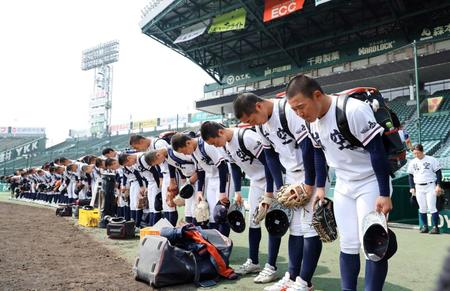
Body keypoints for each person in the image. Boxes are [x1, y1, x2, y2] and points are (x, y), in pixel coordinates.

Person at [286, 74, 392, 291]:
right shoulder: (310, 123)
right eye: (294, 110)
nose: (299, 113)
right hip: (343, 183)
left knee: (372, 244)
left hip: (370, 181)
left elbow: (377, 151)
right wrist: (321, 187)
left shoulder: (352, 109)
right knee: (348, 244)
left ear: (317, 95)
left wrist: (384, 192)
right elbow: (318, 153)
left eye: (300, 106)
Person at [233, 92, 323, 290]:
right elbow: (270, 156)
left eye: (251, 119)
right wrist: (277, 189)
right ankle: (292, 277)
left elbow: (309, 147)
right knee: (295, 228)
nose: (252, 123)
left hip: (311, 173)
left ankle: (304, 282)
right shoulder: (260, 125)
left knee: (310, 229)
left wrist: (309, 184)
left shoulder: (287, 111)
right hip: (291, 175)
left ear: (258, 106)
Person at [200, 121, 279, 277]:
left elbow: (271, 164)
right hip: (255, 181)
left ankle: (271, 267)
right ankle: (254, 262)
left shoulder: (246, 137)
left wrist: (269, 192)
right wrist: (237, 191)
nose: (215, 146)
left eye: (214, 142)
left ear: (221, 132)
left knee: (273, 223)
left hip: (273, 180)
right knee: (253, 222)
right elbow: (235, 168)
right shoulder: (223, 146)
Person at [171, 133, 231, 236]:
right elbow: (200, 171)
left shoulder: (206, 145)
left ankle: (224, 245)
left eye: (183, 151)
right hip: (211, 178)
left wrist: (222, 192)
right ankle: (214, 244)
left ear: (188, 142)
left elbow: (222, 167)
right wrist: (199, 191)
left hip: (224, 177)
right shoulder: (193, 152)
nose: (185, 154)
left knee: (221, 212)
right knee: (211, 214)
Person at [407, 143, 443, 234]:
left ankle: (435, 227)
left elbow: (438, 172)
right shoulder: (413, 162)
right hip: (418, 187)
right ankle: (425, 227)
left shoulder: (431, 160)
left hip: (430, 185)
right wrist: (412, 187)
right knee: (422, 208)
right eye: (415, 153)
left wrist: (438, 185)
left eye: (418, 153)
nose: (416, 155)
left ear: (423, 151)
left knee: (432, 207)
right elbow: (410, 175)